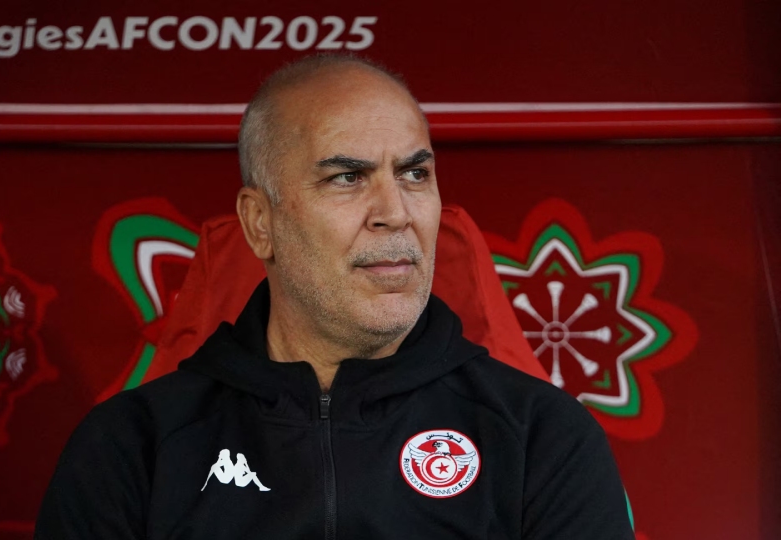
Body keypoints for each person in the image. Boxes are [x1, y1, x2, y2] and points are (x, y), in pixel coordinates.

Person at [36, 54, 634, 539]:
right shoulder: (131, 446)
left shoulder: (541, 437)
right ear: (260, 223)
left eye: (415, 174)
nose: (395, 212)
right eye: (347, 177)